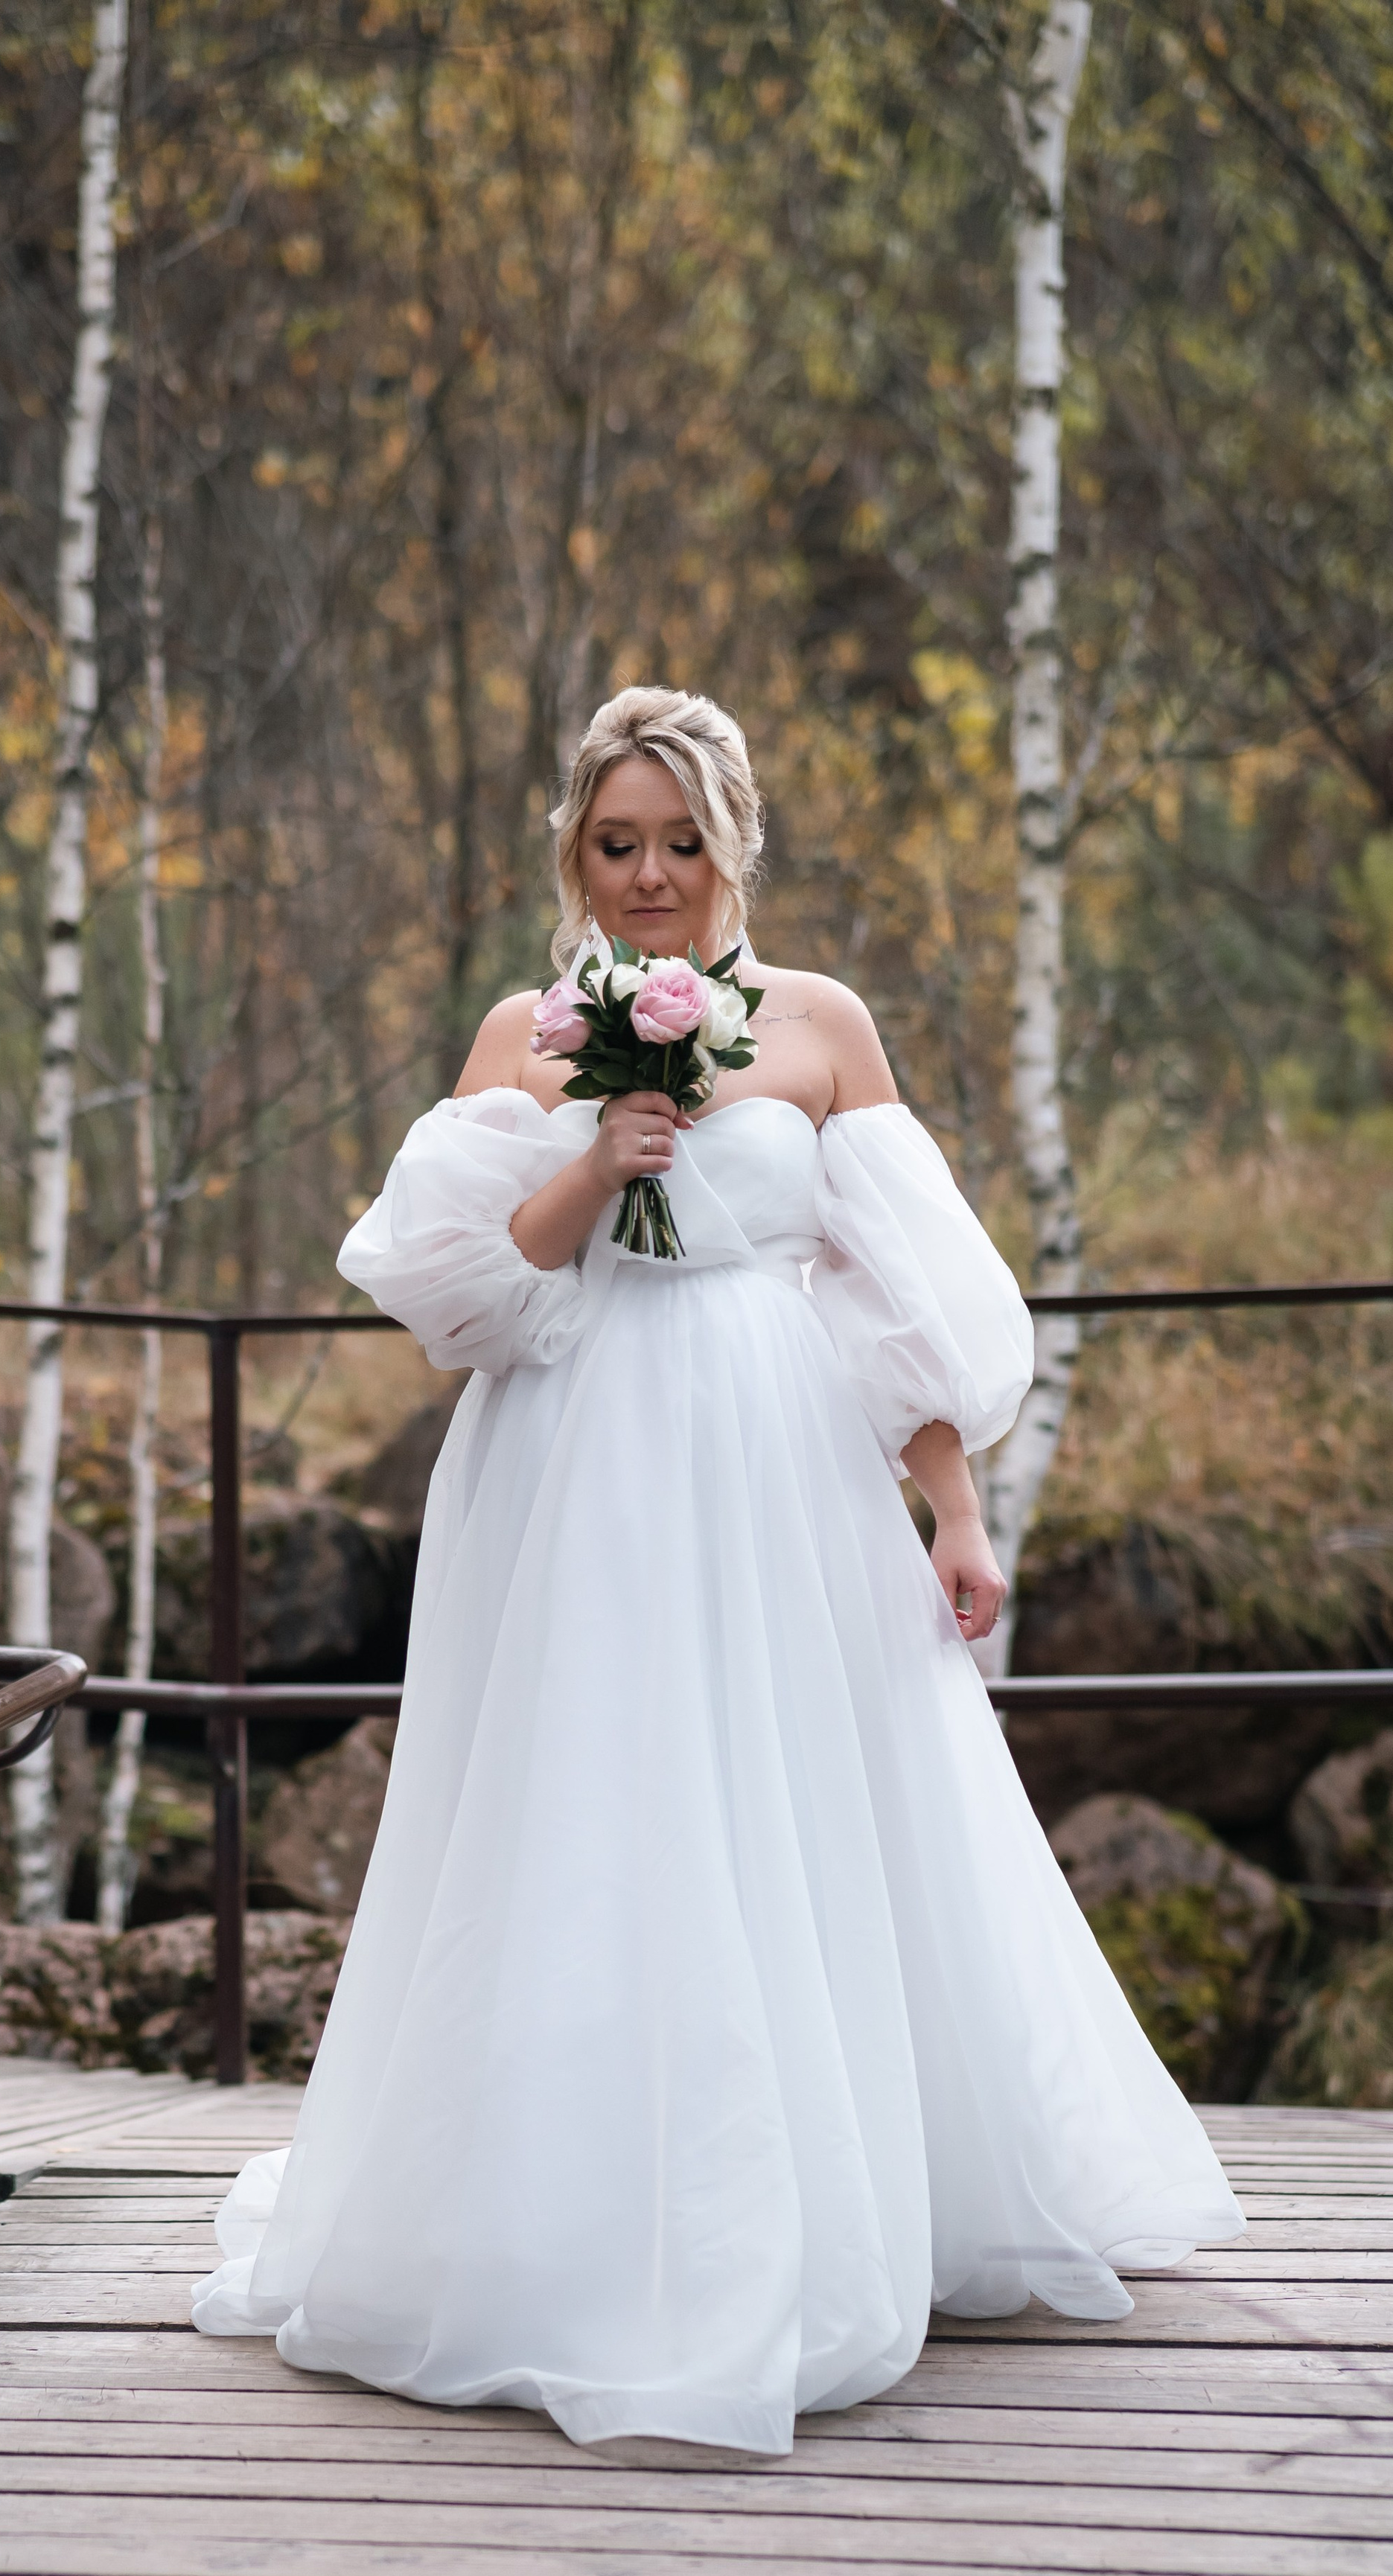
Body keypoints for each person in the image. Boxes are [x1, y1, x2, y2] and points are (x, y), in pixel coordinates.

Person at [193, 683, 1243, 2454]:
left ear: (732, 845)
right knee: (590, 1812)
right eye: (618, 845)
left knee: (807, 1798)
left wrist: (954, 1510)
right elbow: (459, 1303)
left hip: (772, 1467)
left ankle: (852, 2191)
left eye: (680, 843)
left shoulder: (822, 1028)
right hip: (568, 1465)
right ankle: (559, 2216)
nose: (650, 877)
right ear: (574, 856)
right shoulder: (520, 1032)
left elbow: (883, 1299)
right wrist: (596, 1158)